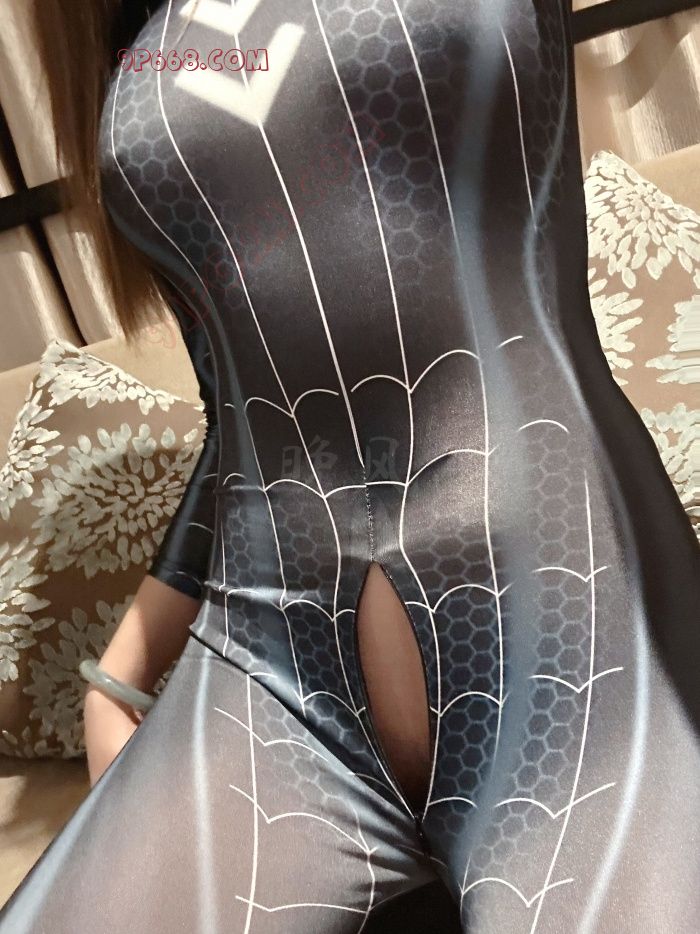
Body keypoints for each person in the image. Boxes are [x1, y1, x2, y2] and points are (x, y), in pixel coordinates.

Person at [2, 1, 698, 931]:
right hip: (270, 676)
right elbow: (242, 413)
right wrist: (122, 672)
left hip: (576, 631)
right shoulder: (145, 33)